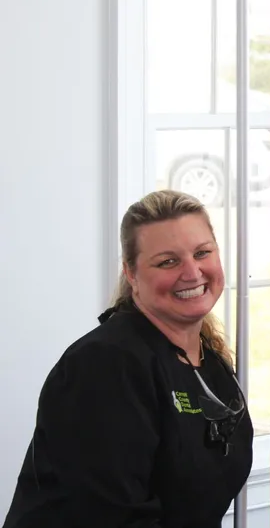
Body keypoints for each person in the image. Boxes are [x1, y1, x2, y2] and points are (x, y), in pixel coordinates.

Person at [3, 190, 252, 527]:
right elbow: (114, 517)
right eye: (168, 261)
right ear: (132, 274)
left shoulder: (211, 360)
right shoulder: (103, 366)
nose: (192, 272)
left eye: (202, 253)